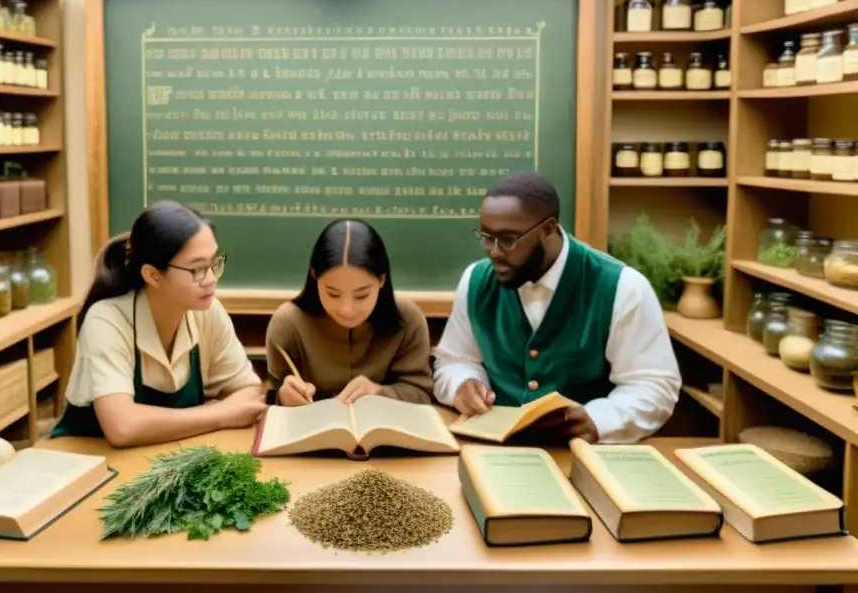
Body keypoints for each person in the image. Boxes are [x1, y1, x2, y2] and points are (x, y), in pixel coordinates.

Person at [432, 171, 681, 444]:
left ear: (549, 229)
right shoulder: (476, 280)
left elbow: (653, 386)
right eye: (486, 237)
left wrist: (598, 419)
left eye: (507, 239)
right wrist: (462, 383)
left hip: (585, 456)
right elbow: (454, 360)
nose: (494, 251)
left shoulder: (624, 287)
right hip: (492, 452)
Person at [53, 201, 266, 447]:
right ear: (153, 275)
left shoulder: (208, 312)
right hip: (95, 466)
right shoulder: (106, 320)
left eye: (214, 262)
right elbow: (123, 427)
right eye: (197, 269)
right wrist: (220, 414)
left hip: (164, 461)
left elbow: (248, 393)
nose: (210, 279)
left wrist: (223, 411)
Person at [265, 219, 434, 406]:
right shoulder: (287, 324)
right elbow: (271, 395)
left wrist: (379, 391)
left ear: (382, 280)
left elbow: (422, 393)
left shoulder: (408, 319)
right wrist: (283, 397)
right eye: (333, 293)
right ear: (314, 277)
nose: (347, 310)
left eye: (361, 296)